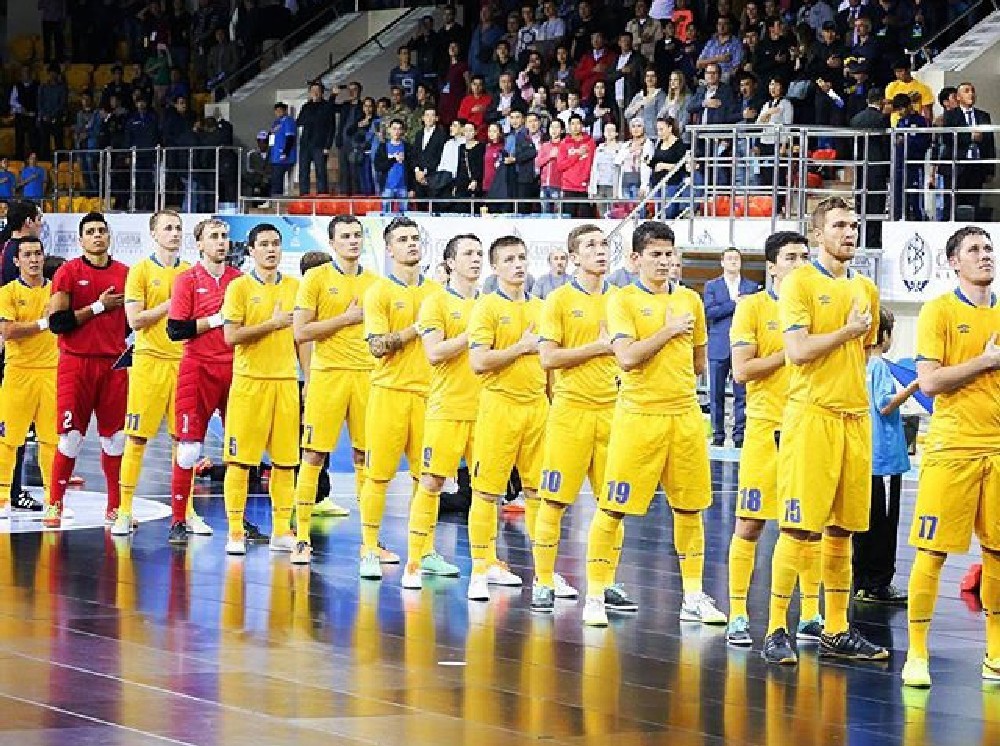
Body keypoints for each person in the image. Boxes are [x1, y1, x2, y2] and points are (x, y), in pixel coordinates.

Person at [761, 196, 885, 666]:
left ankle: (836, 629)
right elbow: (797, 351)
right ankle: (776, 628)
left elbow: (866, 351)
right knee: (798, 526)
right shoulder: (799, 283)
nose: (849, 232)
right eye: (839, 226)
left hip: (855, 418)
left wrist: (851, 341)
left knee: (842, 529)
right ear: (817, 234)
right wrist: (845, 333)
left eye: (853, 225)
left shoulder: (866, 288)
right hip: (811, 417)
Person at [581, 221, 724, 628]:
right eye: (655, 254)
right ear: (635, 259)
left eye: (668, 253)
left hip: (684, 416)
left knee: (690, 508)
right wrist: (668, 330)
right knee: (613, 506)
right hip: (638, 416)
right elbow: (626, 357)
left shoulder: (691, 300)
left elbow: (699, 362)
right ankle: (595, 594)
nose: (664, 261)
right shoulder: (622, 300)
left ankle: (693, 596)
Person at [901, 226, 1000, 688]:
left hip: (997, 448)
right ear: (954, 262)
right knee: (932, 550)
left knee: (997, 552)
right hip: (951, 447)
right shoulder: (937, 310)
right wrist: (986, 361)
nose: (985, 255)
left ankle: (995, 653)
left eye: (989, 248)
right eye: (974, 250)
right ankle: (917, 654)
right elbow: (929, 382)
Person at [531, 225, 638, 614]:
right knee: (555, 500)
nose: (600, 250)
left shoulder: (622, 299)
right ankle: (544, 580)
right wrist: (597, 347)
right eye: (591, 245)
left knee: (614, 503)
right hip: (571, 410)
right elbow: (547, 358)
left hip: (614, 411)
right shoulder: (558, 300)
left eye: (604, 244)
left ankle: (605, 581)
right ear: (574, 257)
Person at [724, 231, 816, 648]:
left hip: (810, 425)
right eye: (791, 257)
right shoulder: (753, 307)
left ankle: (811, 615)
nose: (800, 264)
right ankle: (738, 613)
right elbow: (742, 371)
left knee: (809, 525)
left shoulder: (819, 306)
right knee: (751, 521)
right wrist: (792, 350)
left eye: (805, 256)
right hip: (767, 427)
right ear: (772, 266)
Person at [165, 219, 265, 546]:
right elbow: (176, 330)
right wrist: (217, 320)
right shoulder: (187, 280)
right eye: (214, 237)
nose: (221, 242)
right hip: (198, 369)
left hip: (238, 369)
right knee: (188, 449)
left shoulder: (241, 281)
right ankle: (178, 520)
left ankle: (238, 521)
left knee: (240, 448)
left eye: (224, 236)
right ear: (200, 244)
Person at [358, 217, 444, 579]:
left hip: (430, 396)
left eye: (414, 238)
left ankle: (424, 551)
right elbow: (377, 346)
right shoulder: (378, 292)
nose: (411, 244)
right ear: (389, 248)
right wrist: (416, 328)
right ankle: (369, 549)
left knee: (429, 478)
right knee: (378, 476)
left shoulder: (437, 292)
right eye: (403, 239)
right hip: (389, 393)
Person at [290, 216, 378, 564]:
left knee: (365, 456)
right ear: (332, 242)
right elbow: (301, 331)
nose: (353, 241)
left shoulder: (375, 283)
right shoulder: (316, 278)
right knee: (313, 454)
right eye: (345, 236)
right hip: (327, 376)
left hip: (366, 377)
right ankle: (301, 538)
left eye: (357, 235)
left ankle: (370, 542)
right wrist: (345, 319)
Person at [466, 235, 545, 602]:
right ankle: (480, 569)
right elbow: (479, 362)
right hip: (499, 408)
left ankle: (546, 575)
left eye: (522, 257)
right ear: (495, 267)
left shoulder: (542, 307)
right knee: (487, 492)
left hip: (538, 409)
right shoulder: (486, 307)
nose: (518, 265)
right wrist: (520, 348)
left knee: (539, 493)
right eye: (509, 259)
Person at [402, 234, 483, 589]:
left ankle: (486, 564)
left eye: (479, 253)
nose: (476, 259)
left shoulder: (490, 303)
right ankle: (416, 561)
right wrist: (473, 335)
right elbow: (434, 353)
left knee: (486, 489)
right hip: (446, 407)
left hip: (486, 410)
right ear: (450, 263)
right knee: (432, 481)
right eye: (468, 253)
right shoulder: (435, 303)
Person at [114, 211, 202, 536]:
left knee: (185, 441)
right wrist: (171, 303)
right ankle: (124, 511)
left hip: (184, 363)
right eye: (168, 228)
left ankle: (187, 511)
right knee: (137, 436)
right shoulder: (140, 271)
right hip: (149, 362)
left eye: (178, 228)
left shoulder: (191, 272)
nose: (175, 233)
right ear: (153, 233)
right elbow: (135, 320)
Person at [44, 212, 129, 528]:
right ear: (81, 240)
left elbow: (132, 321)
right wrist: (98, 307)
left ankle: (115, 507)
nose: (97, 236)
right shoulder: (68, 272)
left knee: (116, 439)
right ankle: (54, 504)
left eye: (101, 231)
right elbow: (58, 323)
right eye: (90, 231)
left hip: (113, 365)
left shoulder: (126, 273)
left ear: (109, 236)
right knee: (70, 438)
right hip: (76, 364)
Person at [219, 223, 300, 555]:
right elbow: (230, 336)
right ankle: (236, 531)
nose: (271, 249)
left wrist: (308, 379)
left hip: (285, 382)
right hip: (249, 383)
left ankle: (281, 530)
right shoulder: (239, 287)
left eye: (276, 243)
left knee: (285, 461)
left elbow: (302, 339)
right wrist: (272, 324)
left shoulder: (296, 287)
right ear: (251, 250)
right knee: (240, 461)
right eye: (264, 244)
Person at [852, 307, 918, 604]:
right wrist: (914, 387)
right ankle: (878, 583)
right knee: (885, 525)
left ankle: (861, 581)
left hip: (865, 454)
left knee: (865, 522)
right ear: (886, 335)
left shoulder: (859, 364)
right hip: (885, 458)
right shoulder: (879, 366)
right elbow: (885, 404)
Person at [0, 237, 57, 520]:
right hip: (18, 372)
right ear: (16, 260)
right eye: (27, 255)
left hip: (52, 372)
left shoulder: (57, 291)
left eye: (37, 253)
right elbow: (8, 331)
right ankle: (2, 499)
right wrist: (45, 322)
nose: (33, 259)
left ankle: (53, 500)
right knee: (8, 439)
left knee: (51, 440)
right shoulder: (8, 292)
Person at [702, 248, 757, 448]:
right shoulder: (712, 286)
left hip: (743, 345)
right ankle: (718, 435)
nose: (733, 262)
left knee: (742, 393)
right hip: (719, 345)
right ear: (722, 262)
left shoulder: (751, 287)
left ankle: (739, 435)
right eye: (730, 258)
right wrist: (735, 303)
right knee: (716, 394)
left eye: (736, 259)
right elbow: (710, 312)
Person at [943, 82, 995, 221]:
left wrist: (990, 169)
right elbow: (947, 138)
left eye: (972, 91)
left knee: (974, 202)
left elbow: (989, 143)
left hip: (976, 166)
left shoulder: (983, 116)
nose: (971, 94)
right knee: (953, 203)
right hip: (957, 166)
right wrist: (969, 137)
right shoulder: (950, 115)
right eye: (966, 91)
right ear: (958, 97)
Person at [296, 82, 334, 195]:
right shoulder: (306, 106)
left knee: (321, 172)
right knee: (303, 171)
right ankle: (304, 196)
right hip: (305, 144)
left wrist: (327, 146)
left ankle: (322, 196)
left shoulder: (327, 106)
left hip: (320, 145)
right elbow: (299, 122)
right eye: (313, 91)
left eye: (318, 91)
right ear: (310, 93)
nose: (315, 93)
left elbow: (331, 127)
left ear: (322, 93)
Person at [556, 114, 595, 217]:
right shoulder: (564, 143)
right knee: (568, 218)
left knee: (585, 218)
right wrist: (577, 155)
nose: (575, 126)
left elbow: (593, 163)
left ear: (582, 125)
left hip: (585, 187)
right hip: (568, 187)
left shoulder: (590, 142)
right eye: (572, 124)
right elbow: (560, 166)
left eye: (578, 123)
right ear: (569, 127)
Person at [374, 119, 414, 214]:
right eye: (394, 129)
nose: (397, 132)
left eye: (399, 129)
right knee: (386, 215)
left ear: (402, 131)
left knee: (405, 216)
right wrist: (393, 159)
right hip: (387, 187)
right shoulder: (383, 147)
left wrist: (412, 188)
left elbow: (411, 168)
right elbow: (378, 166)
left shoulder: (407, 147)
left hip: (403, 187)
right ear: (389, 130)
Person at [267, 102, 297, 197]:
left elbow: (290, 137)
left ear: (285, 111)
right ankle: (274, 199)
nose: (278, 112)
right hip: (274, 156)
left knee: (278, 180)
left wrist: (285, 152)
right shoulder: (276, 122)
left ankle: (277, 200)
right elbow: (271, 138)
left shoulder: (288, 121)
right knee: (274, 180)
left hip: (284, 157)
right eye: (276, 111)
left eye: (280, 110)